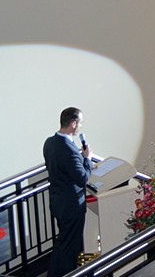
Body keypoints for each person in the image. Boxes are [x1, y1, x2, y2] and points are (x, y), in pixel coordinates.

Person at [43, 107, 93, 277]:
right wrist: (87, 159)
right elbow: (82, 178)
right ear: (73, 124)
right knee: (67, 245)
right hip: (71, 206)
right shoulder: (68, 149)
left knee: (67, 241)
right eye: (80, 123)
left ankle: (75, 271)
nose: (80, 126)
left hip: (58, 201)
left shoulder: (50, 142)